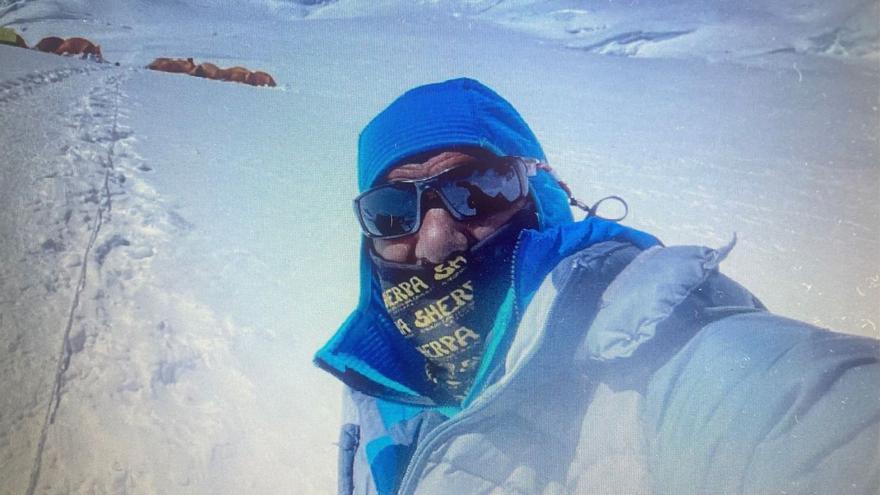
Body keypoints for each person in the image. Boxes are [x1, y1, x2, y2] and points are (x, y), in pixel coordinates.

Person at [314, 78, 879, 495]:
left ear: (540, 202)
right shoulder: (383, 377)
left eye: (477, 189)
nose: (436, 241)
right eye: (392, 210)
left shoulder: (648, 344)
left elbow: (798, 412)